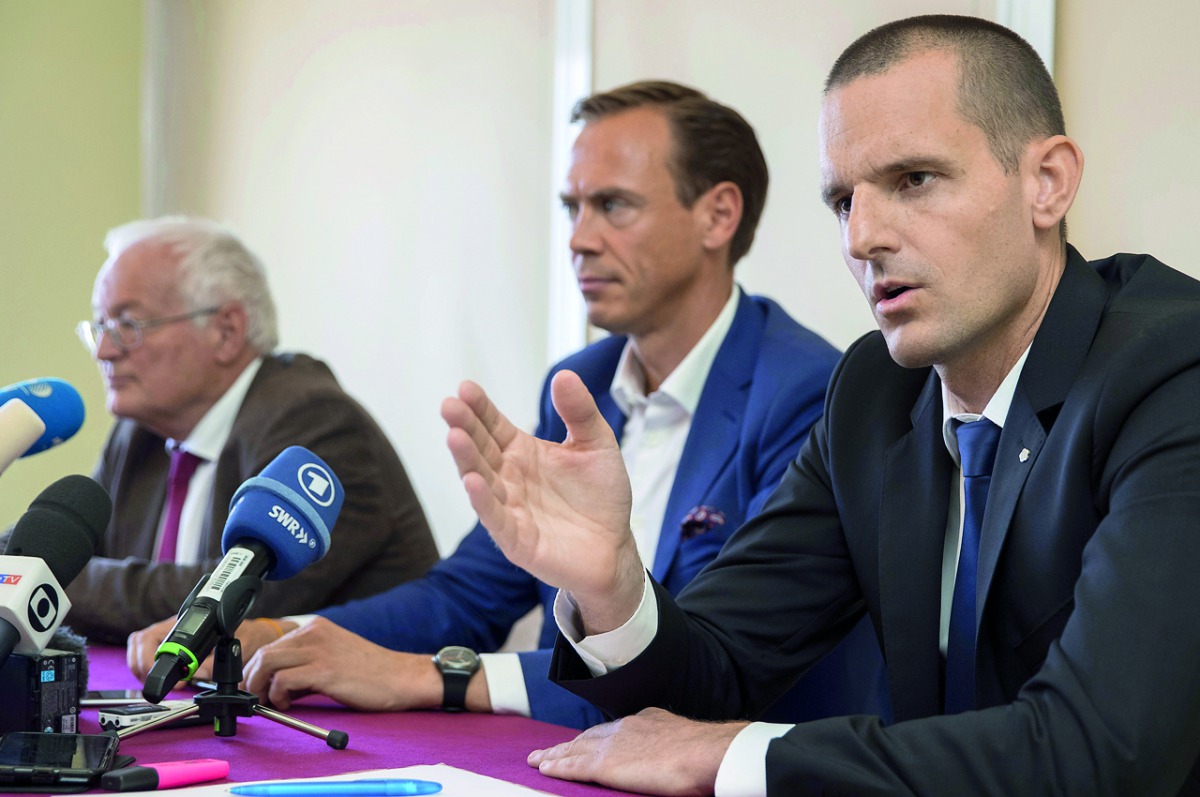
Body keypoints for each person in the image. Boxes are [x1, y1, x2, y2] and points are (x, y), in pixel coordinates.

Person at [441, 15, 1200, 797]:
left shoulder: (1173, 369)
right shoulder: (873, 392)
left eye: (914, 179)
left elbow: (1104, 752)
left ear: (1047, 182)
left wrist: (743, 754)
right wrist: (611, 587)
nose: (863, 235)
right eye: (842, 200)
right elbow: (715, 668)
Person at [129, 81, 887, 729]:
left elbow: (696, 658)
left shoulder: (807, 389)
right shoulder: (579, 382)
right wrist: (278, 630)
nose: (579, 240)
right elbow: (469, 591)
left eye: (613, 206)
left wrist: (438, 677)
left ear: (718, 216)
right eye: (571, 207)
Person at [66, 216, 440, 644]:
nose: (104, 350)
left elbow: (241, 595)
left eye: (128, 325)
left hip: (346, 707)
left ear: (227, 331)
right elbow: (70, 543)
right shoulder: (139, 432)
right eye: (99, 326)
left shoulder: (315, 420)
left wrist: (46, 578)